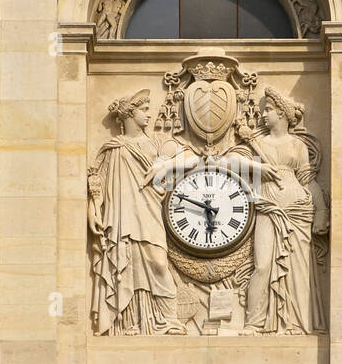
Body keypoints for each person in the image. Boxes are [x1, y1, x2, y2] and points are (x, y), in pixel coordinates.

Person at [213, 87, 328, 334]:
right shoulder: (258, 143)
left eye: (269, 110)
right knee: (262, 265)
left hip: (297, 209)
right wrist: (259, 169)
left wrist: (321, 212)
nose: (264, 115)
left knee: (299, 266)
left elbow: (308, 180)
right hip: (267, 208)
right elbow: (227, 161)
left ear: (283, 115)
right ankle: (254, 322)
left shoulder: (297, 145)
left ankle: (298, 322)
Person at [88, 89, 191, 335]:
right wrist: (93, 209)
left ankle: (167, 320)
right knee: (125, 265)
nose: (148, 115)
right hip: (121, 215)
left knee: (158, 262)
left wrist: (165, 165)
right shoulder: (113, 148)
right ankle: (128, 322)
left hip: (149, 211)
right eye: (143, 110)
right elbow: (97, 183)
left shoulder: (156, 142)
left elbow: (190, 157)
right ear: (130, 114)